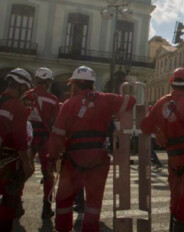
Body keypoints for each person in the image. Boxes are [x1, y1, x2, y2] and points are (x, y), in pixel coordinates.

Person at [47, 66, 136, 232]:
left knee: (64, 200)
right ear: (92, 84)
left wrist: (52, 158)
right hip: (98, 159)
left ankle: (62, 228)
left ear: (75, 84)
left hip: (73, 159)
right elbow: (130, 101)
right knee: (93, 203)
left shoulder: (68, 104)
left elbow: (57, 135)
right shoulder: (106, 99)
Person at [141, 67, 184, 232]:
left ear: (171, 83)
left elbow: (145, 127)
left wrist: (161, 132)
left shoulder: (161, 102)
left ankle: (174, 226)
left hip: (172, 158)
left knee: (175, 195)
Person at [0, 68, 34, 231]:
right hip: (8, 161)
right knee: (9, 200)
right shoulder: (18, 108)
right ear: (21, 86)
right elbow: (20, 140)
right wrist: (27, 164)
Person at [23, 67, 60, 219]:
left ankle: (15, 201)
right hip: (45, 138)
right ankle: (46, 206)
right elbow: (57, 122)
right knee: (48, 173)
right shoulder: (53, 99)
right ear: (49, 82)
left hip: (28, 138)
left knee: (23, 170)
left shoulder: (26, 95)